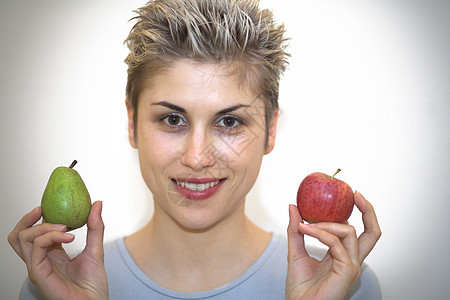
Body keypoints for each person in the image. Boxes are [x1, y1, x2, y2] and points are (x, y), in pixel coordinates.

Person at [8, 0, 382, 299]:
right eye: (173, 120)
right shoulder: (52, 286)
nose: (197, 156)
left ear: (270, 131)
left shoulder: (344, 284)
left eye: (229, 121)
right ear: (131, 123)